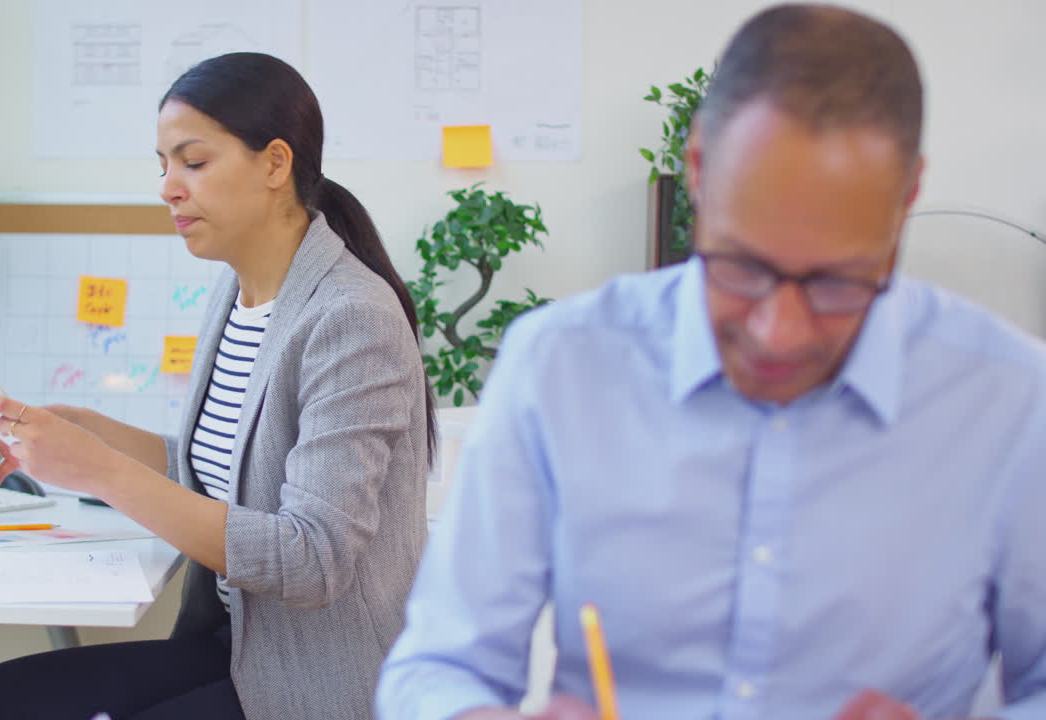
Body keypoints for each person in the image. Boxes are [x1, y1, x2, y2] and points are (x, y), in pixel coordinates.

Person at [377, 5, 1046, 720]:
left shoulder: (1009, 399)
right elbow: (440, 666)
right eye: (741, 267)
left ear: (908, 196)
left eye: (835, 284)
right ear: (697, 169)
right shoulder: (562, 366)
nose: (778, 332)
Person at [0, 52, 435, 720]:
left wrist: (98, 470)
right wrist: (86, 435)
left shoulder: (351, 317)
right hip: (238, 645)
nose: (167, 187)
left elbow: (312, 560)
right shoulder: (237, 289)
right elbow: (229, 464)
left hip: (320, 679)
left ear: (275, 163)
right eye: (162, 164)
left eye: (193, 161)